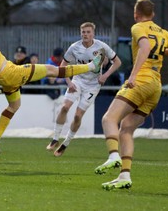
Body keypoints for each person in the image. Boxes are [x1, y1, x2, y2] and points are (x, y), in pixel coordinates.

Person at [0, 14, 105, 154]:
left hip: (2, 78)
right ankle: (91, 66)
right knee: (53, 70)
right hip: (10, 72)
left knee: (14, 106)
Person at [94, 0, 168, 191]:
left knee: (108, 119)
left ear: (136, 14)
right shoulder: (162, 32)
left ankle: (114, 156)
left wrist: (133, 74)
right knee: (126, 129)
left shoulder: (138, 27)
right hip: (156, 86)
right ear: (153, 14)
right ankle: (125, 176)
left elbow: (145, 47)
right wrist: (162, 50)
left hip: (141, 80)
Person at [46, 22, 122, 156]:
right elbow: (63, 66)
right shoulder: (74, 47)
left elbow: (117, 62)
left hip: (93, 85)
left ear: (93, 33)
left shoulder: (101, 47)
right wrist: (69, 82)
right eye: (83, 32)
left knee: (77, 115)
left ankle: (65, 143)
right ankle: (55, 139)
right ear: (80, 33)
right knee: (64, 107)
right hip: (77, 81)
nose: (85, 34)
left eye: (88, 32)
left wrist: (105, 76)